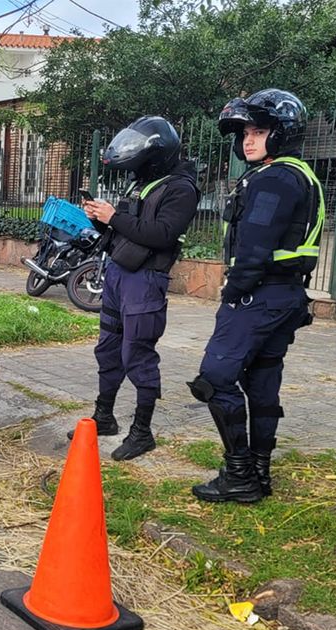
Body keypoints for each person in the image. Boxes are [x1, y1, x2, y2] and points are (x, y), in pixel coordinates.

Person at [189, 89, 324, 503]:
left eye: (259, 130)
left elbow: (254, 245)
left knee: (214, 378)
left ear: (282, 133)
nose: (247, 140)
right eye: (245, 132)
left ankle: (241, 474)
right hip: (285, 298)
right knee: (263, 381)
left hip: (259, 297)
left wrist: (234, 291)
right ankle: (260, 473)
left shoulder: (274, 179)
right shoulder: (298, 174)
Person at [72, 116, 200, 461]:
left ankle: (142, 432)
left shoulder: (181, 188)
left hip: (145, 281)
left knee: (137, 354)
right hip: (117, 273)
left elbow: (160, 234)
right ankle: (104, 416)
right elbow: (127, 230)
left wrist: (113, 217)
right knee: (109, 349)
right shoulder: (143, 183)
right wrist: (99, 222)